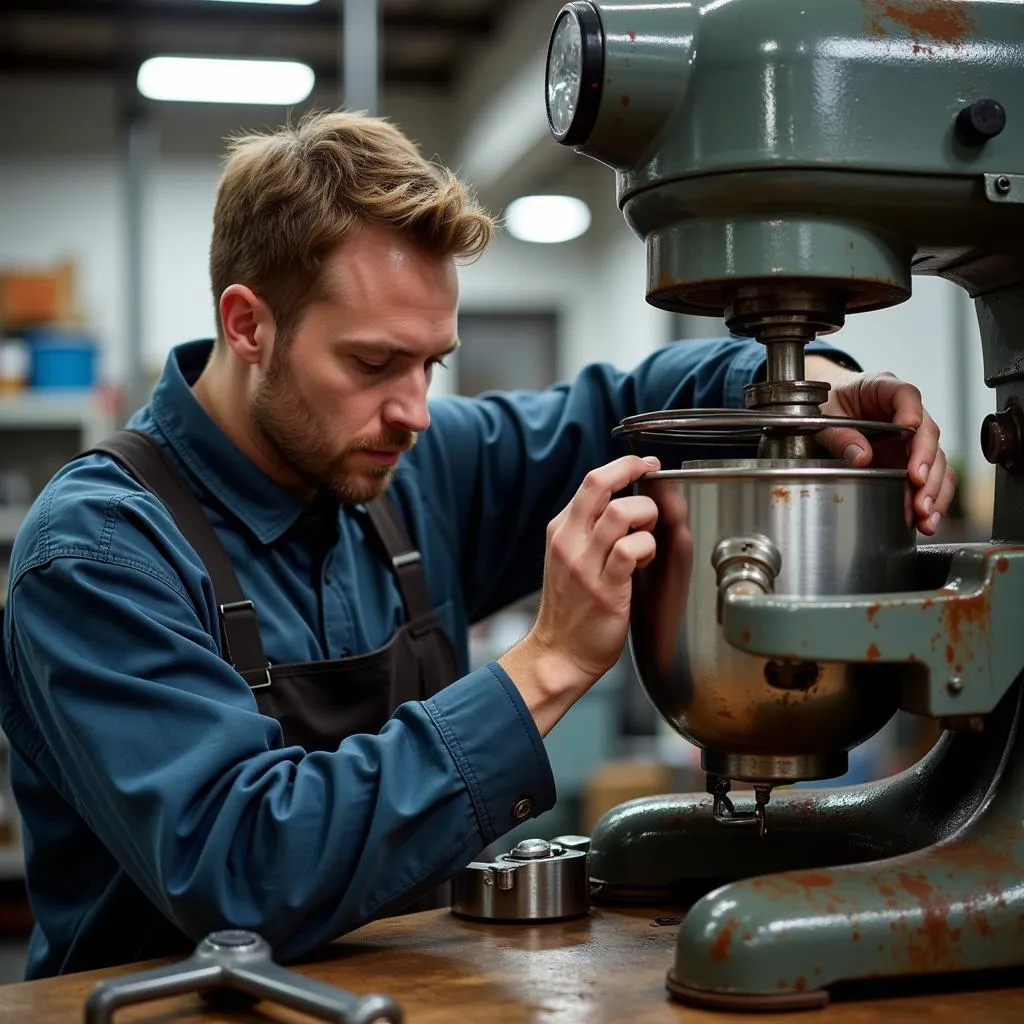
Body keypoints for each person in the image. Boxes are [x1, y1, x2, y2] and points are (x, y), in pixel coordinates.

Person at [0, 111, 956, 979]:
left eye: (432, 363)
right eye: (374, 363)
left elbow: (624, 406)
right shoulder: (99, 552)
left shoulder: (407, 467)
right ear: (248, 324)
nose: (415, 411)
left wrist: (811, 385)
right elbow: (245, 870)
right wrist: (544, 666)